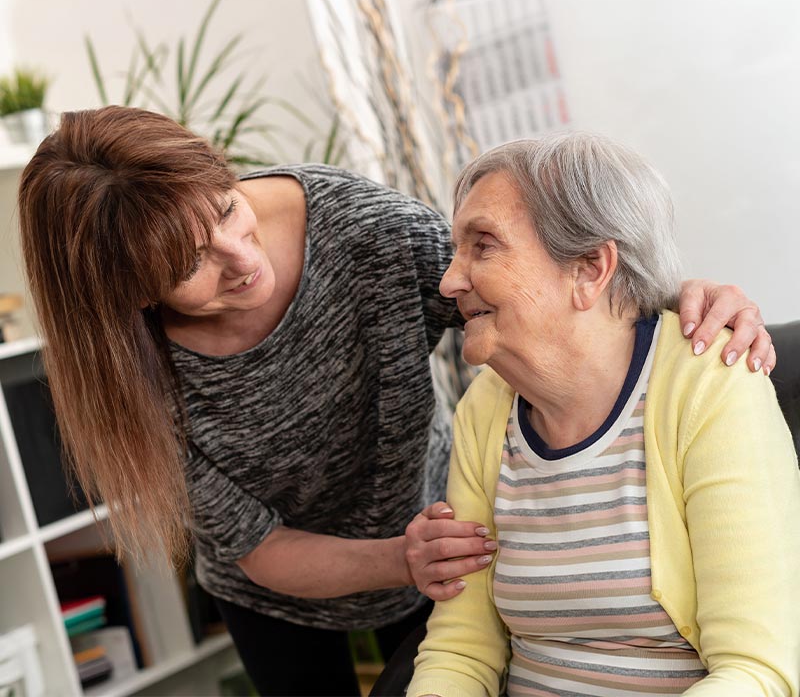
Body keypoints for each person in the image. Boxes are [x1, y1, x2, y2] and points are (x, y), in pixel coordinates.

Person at [17, 107, 775, 696]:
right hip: (292, 587)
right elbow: (261, 548)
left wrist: (680, 296)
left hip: (435, 538)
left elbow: (536, 284)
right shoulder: (131, 370)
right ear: (131, 296)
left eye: (224, 211)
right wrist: (403, 558)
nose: (241, 259)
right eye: (189, 264)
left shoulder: (358, 230)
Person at [407, 133, 800, 697]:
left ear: (590, 268)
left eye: (484, 245)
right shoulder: (486, 408)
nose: (450, 281)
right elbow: (461, 650)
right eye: (456, 250)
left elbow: (755, 670)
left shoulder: (709, 387)